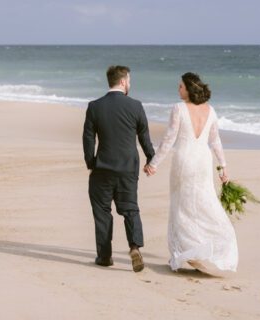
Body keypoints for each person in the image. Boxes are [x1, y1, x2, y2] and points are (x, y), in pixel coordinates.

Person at [145, 71, 238, 275]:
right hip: (203, 161)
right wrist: (223, 166)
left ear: (188, 89)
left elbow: (169, 139)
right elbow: (215, 141)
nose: (178, 89)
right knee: (203, 202)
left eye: (180, 86)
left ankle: (186, 251)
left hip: (184, 160)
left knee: (182, 205)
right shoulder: (210, 110)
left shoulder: (178, 108)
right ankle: (196, 249)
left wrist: (154, 163)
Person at [82, 65, 155, 272]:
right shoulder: (136, 106)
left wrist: (91, 162)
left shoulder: (95, 106)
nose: (130, 84)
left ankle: (104, 256)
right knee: (130, 208)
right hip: (128, 169)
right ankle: (134, 247)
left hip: (102, 168)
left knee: (102, 212)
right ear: (123, 81)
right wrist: (151, 159)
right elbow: (144, 137)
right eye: (129, 80)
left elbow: (88, 138)